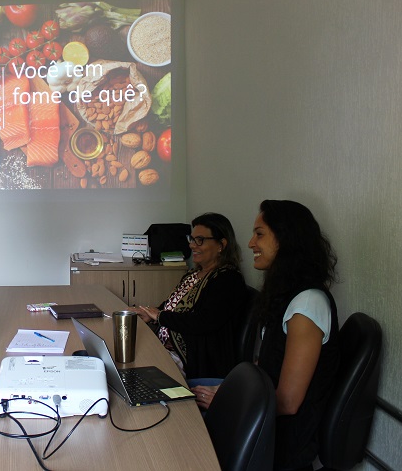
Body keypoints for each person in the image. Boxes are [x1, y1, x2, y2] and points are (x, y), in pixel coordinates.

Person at [193, 200, 339, 471]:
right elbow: (269, 365)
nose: (250, 243)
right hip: (264, 418)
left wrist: (227, 402)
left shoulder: (307, 304)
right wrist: (227, 390)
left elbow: (288, 401)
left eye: (259, 234)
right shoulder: (286, 294)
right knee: (184, 400)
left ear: (286, 239)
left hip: (281, 444)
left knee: (185, 423)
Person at [134, 213, 248, 380]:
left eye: (199, 240)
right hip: (166, 348)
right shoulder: (193, 274)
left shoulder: (228, 279)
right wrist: (150, 313)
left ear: (221, 245)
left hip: (194, 361)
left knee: (136, 375)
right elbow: (170, 306)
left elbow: (203, 322)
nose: (192, 245)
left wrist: (160, 316)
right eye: (191, 239)